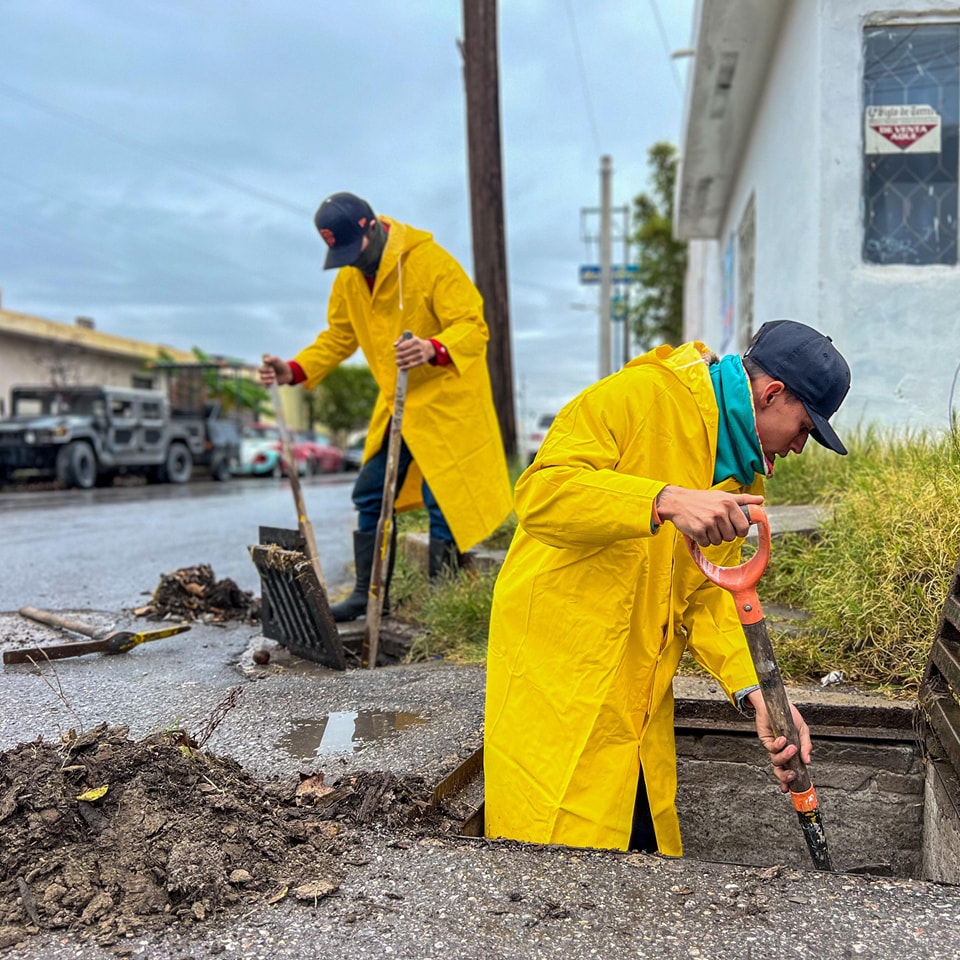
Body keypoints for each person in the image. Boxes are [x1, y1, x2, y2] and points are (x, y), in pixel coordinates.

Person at [484, 319, 851, 856]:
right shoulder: (641, 395)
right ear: (772, 394)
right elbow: (541, 492)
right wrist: (663, 500)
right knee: (551, 868)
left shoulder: (736, 474)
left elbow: (709, 595)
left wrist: (757, 693)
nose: (799, 447)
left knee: (635, 851)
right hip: (562, 677)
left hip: (636, 689)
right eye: (802, 428)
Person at [260, 192, 513, 621]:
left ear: (371, 227)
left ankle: (440, 606)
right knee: (370, 492)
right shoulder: (350, 278)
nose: (350, 264)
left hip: (447, 402)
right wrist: (295, 369)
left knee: (443, 501)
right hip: (397, 403)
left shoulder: (430, 262)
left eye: (351, 251)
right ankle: (367, 593)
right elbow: (339, 336)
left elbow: (472, 325)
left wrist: (432, 348)